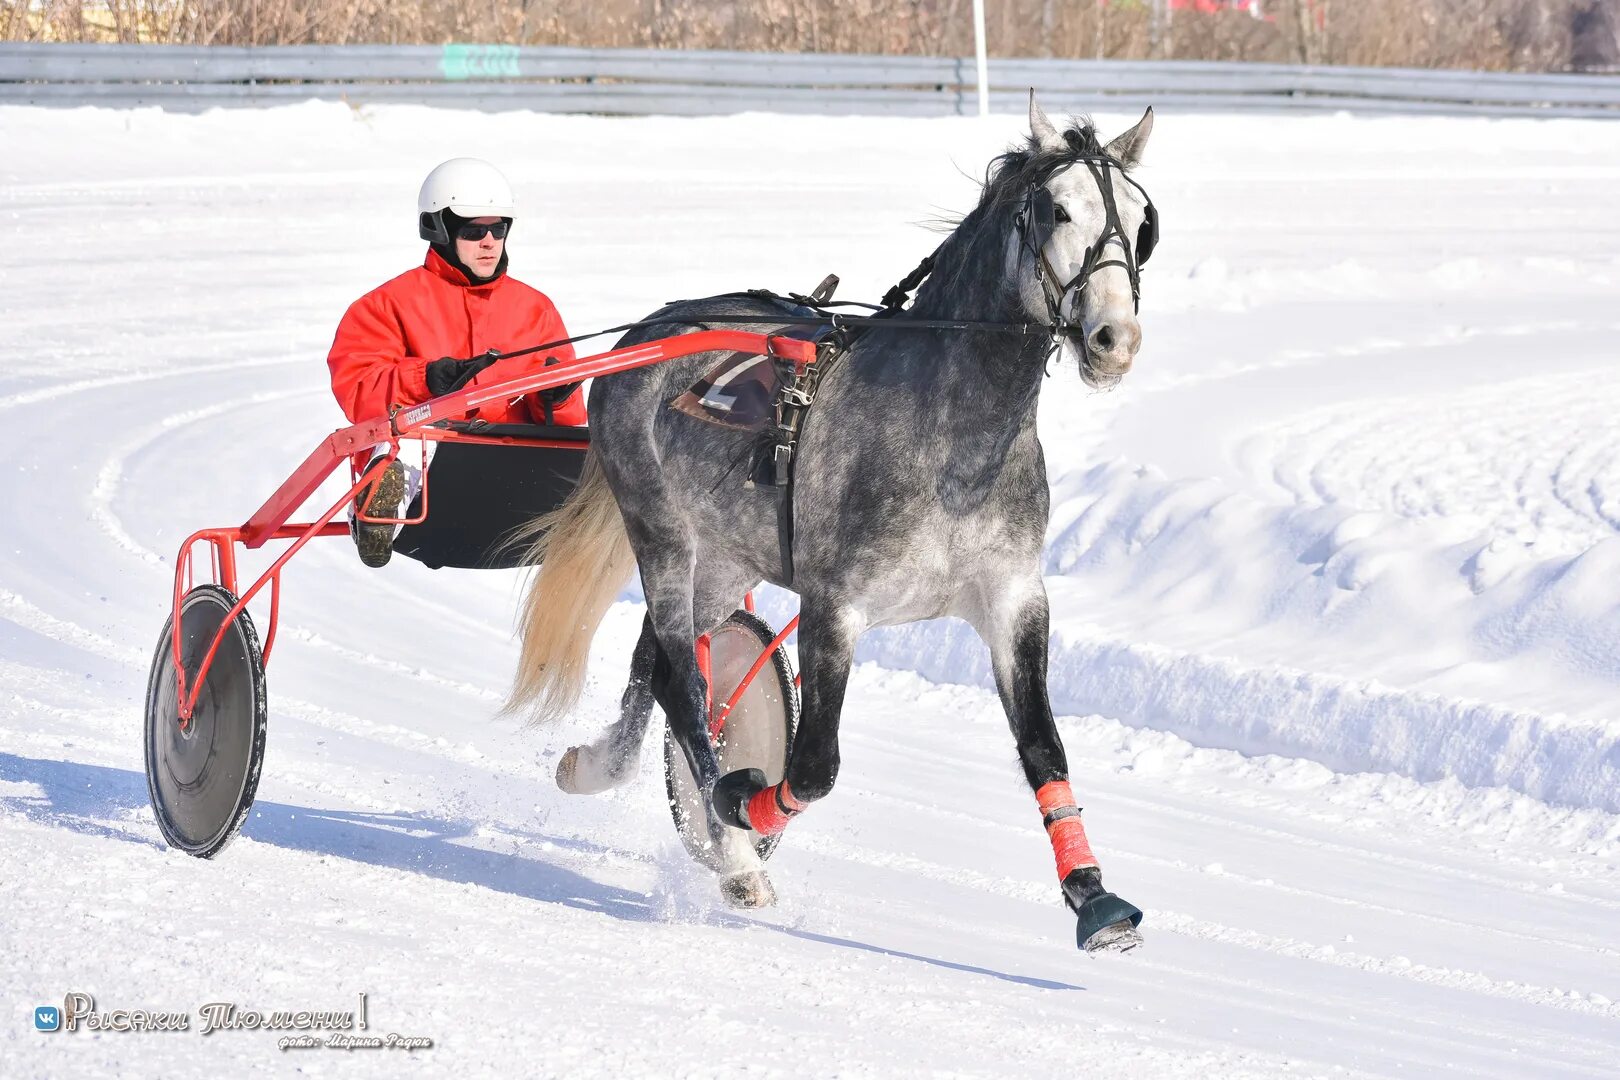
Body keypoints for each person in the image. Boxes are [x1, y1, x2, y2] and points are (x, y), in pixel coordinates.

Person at [326, 157, 586, 567]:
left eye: (497, 229)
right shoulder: (386, 305)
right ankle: (379, 512)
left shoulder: (536, 309)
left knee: (600, 451)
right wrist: (424, 379)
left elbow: (567, 425)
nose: (488, 241)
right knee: (410, 439)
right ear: (439, 229)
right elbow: (357, 387)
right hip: (437, 472)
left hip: (514, 469)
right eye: (472, 230)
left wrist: (556, 397)